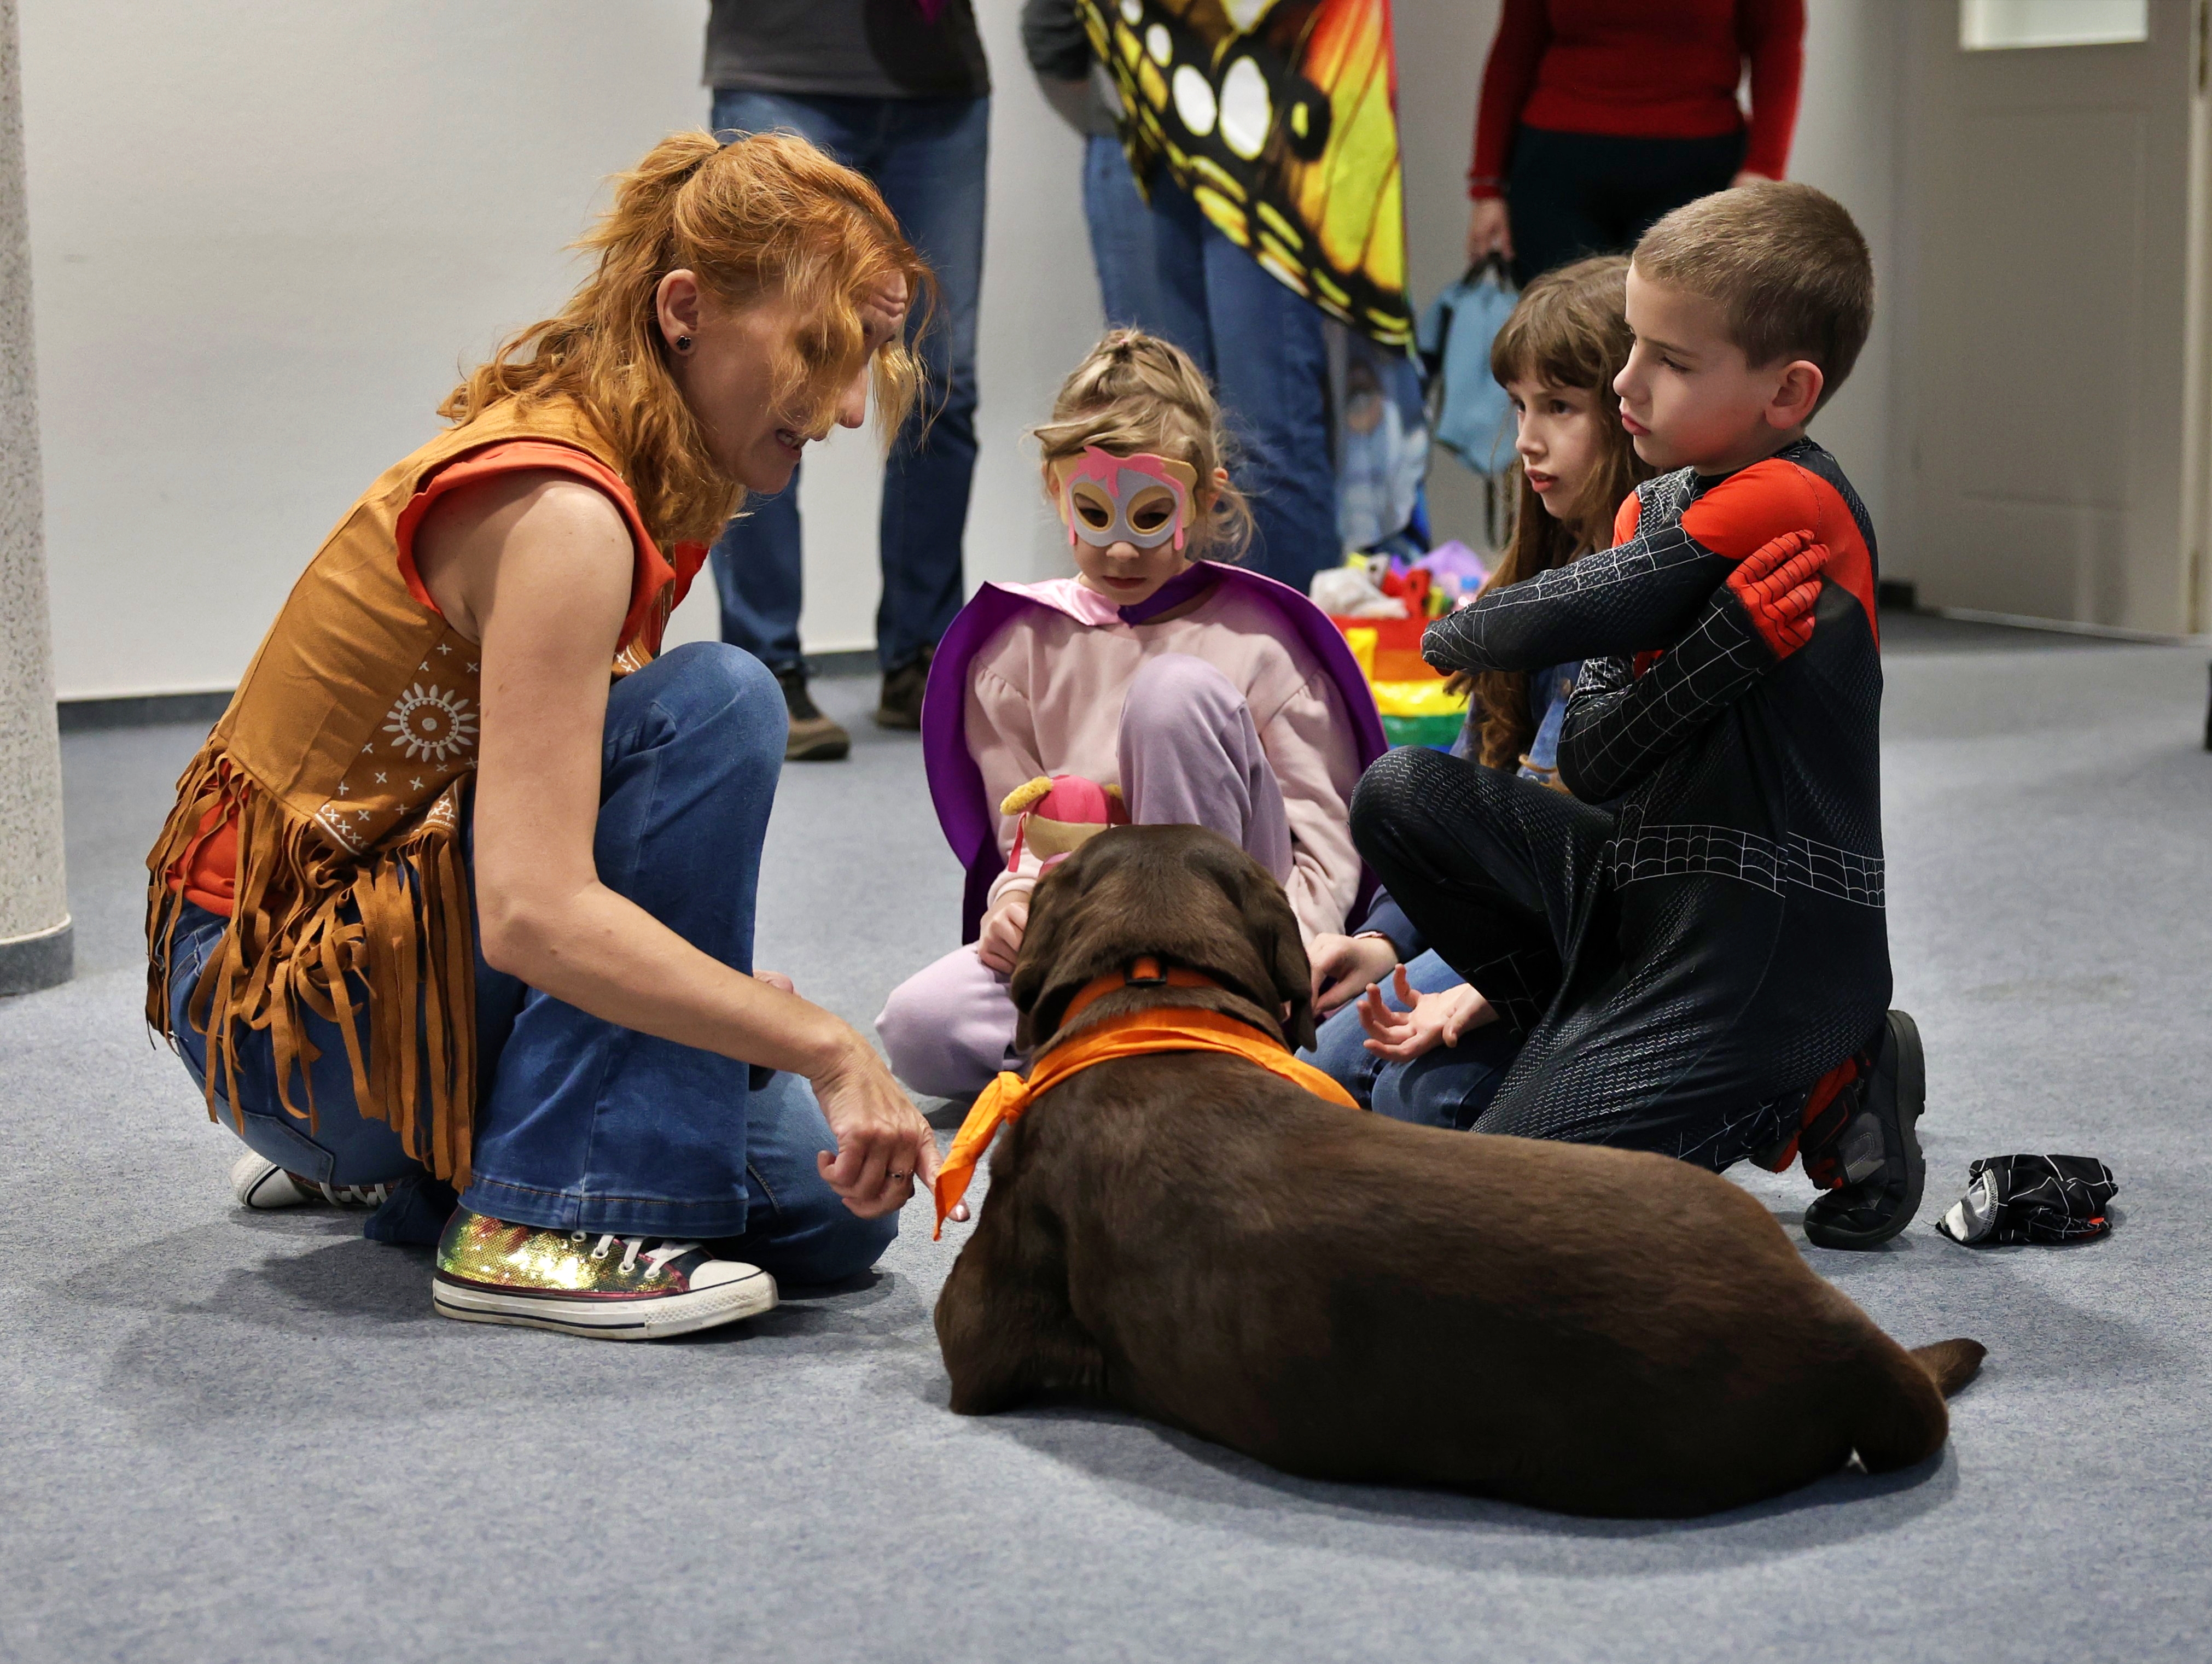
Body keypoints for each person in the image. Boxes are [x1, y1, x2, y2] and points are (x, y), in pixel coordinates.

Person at [144, 132, 946, 1340]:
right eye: (826, 345)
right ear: (685, 311)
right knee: (723, 699)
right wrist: (823, 1043)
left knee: (825, 1213)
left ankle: (427, 1171)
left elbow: (569, 829)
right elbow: (533, 911)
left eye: (869, 356)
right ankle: (528, 1226)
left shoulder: (640, 460)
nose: (843, 408)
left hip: (369, 992)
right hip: (282, 1019)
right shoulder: (570, 513)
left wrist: (718, 996)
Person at [1350, 182, 1926, 1250]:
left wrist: (1463, 627)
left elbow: (1573, 609)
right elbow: (1596, 758)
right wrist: (1720, 651)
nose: (1627, 381)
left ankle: (1811, 1076)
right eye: (1633, 348)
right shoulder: (1646, 505)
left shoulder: (1798, 496)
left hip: (1760, 932)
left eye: (1668, 360)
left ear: (1786, 393)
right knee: (1400, 792)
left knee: (1502, 1200)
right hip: (1645, 893)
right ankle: (1592, 1032)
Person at [875, 330, 1382, 1099]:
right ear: (1056, 491)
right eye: (1093, 511)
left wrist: (1298, 955)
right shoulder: (1016, 652)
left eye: (1149, 515)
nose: (1119, 552)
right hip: (1092, 947)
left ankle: (1195, 1018)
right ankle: (1126, 1037)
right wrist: (1014, 906)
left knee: (1172, 694)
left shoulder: (1261, 642)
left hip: (1239, 945)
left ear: (1205, 497)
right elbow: (1028, 840)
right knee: (919, 1026)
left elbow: (1325, 842)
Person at [1303, 255, 1654, 1126]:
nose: (1527, 439)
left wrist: (1492, 990)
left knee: (1418, 1102)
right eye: (1520, 407)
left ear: (1633, 413)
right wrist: (1384, 940)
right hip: (1511, 928)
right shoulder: (1534, 586)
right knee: (1331, 1060)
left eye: (1560, 407)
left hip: (1606, 945)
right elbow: (1469, 790)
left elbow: (1636, 875)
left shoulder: (1653, 605)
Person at [703, 0, 992, 761]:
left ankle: (922, 659)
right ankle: (765, 665)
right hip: (781, 67)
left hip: (939, 83)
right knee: (764, 378)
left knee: (939, 384)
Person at [1016, 3, 1341, 598]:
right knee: (1144, 427)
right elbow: (1051, 29)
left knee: (1268, 439)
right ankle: (1159, 638)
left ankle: (1286, 646)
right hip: (1142, 137)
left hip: (1258, 137)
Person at [1466, 0, 1806, 288]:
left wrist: (1764, 170)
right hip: (1557, 174)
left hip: (1695, 176)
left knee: (1675, 333)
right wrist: (1487, 188)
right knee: (1561, 335)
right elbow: (1514, 50)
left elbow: (1778, 45)